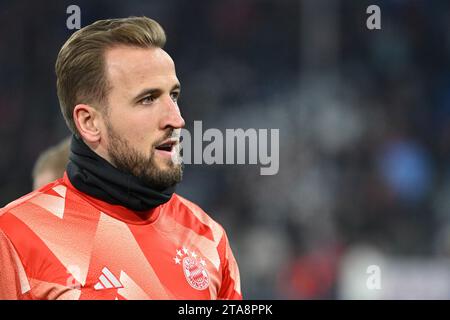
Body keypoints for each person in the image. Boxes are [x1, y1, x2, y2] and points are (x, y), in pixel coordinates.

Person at [0, 17, 241, 300]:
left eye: (173, 96)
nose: (176, 119)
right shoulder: (13, 237)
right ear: (89, 122)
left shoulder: (209, 238)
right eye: (148, 99)